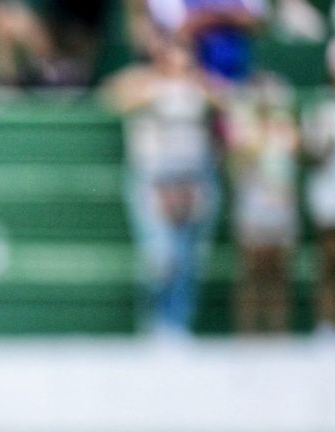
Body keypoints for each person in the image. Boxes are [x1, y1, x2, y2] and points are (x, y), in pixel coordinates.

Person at [103, 34, 222, 338]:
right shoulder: (141, 81)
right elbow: (112, 99)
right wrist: (155, 87)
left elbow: (227, 99)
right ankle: (154, 322)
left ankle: (178, 322)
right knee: (159, 257)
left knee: (188, 258)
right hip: (153, 181)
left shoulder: (199, 84)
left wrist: (194, 83)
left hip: (192, 180)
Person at [226, 72, 301, 333]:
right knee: (251, 272)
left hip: (280, 205)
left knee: (279, 273)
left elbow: (294, 153)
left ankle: (278, 330)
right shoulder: (243, 128)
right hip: (252, 207)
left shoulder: (284, 126)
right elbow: (237, 163)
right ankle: (248, 332)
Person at [301, 39, 335, 338]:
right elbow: (310, 155)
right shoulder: (322, 109)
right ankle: (325, 323)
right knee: (328, 259)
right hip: (329, 189)